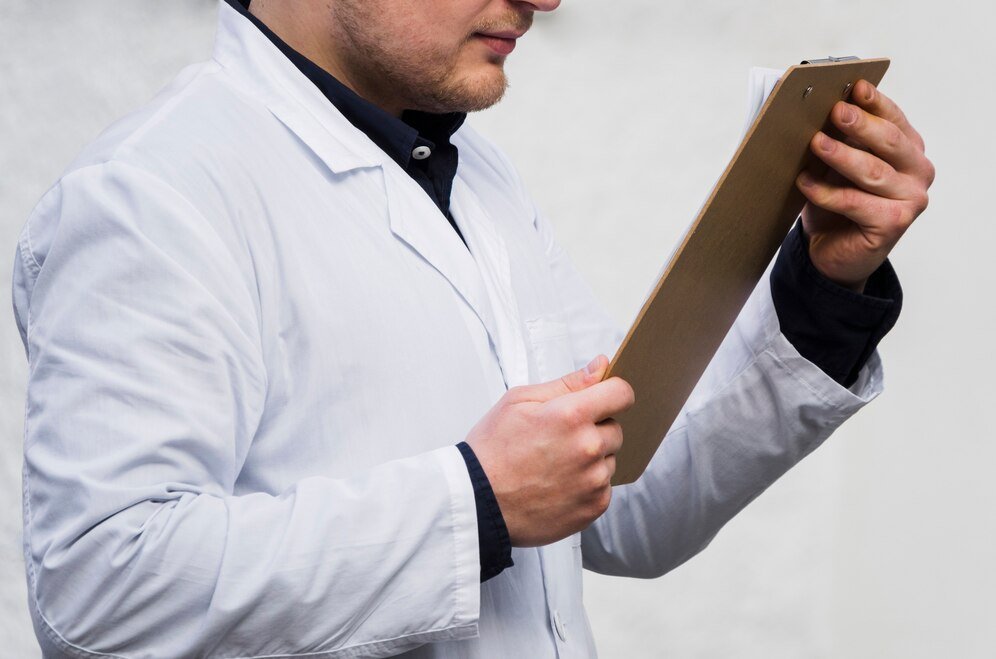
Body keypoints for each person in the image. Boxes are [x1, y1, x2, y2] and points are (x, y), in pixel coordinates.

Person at [11, 0, 933, 657]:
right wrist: (476, 501)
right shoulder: (152, 196)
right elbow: (100, 590)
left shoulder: (473, 175)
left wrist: (822, 283)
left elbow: (625, 503)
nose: (546, 1)